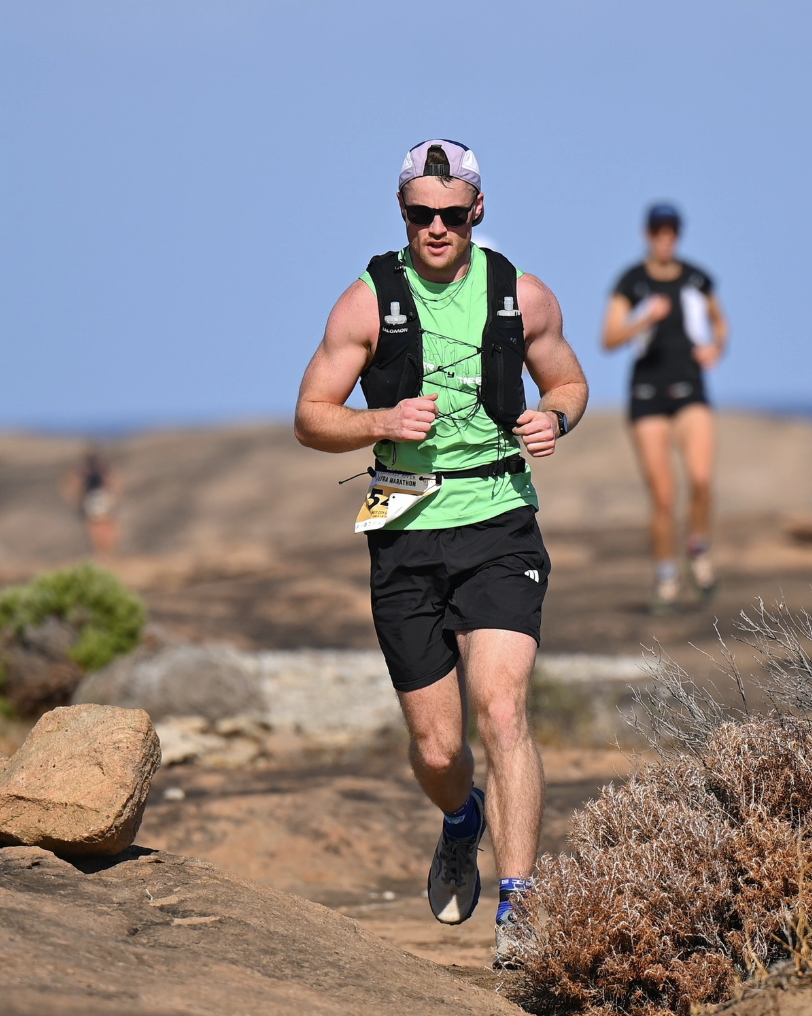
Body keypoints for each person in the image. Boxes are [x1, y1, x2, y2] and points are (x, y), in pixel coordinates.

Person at [294, 140, 588, 966]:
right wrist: (379, 422)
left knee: (503, 711)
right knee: (436, 749)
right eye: (419, 214)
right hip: (405, 524)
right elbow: (312, 415)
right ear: (402, 214)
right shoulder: (365, 302)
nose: (434, 229)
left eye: (450, 215)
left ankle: (521, 910)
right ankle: (462, 820)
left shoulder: (520, 295)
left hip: (499, 519)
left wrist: (554, 418)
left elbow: (568, 380)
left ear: (477, 212)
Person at [601, 204, 729, 614]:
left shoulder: (696, 279)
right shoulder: (632, 282)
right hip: (647, 393)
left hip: (690, 387)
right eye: (658, 230)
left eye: (671, 230)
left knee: (702, 479)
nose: (665, 237)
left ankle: (698, 550)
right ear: (647, 234)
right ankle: (666, 576)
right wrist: (644, 318)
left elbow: (719, 322)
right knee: (662, 496)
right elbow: (609, 337)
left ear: (679, 234)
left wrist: (717, 347)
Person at [64, 448, 121, 558]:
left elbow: (73, 482)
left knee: (98, 524)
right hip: (97, 497)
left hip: (96, 497)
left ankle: (103, 550)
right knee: (98, 524)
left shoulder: (90, 469)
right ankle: (103, 551)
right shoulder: (100, 468)